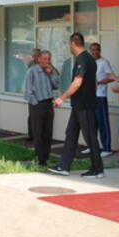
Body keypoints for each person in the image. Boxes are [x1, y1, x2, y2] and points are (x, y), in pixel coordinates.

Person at [48, 33, 104, 178]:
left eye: (69, 44)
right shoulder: (88, 59)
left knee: (90, 137)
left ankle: (97, 169)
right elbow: (94, 82)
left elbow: (77, 82)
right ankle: (64, 166)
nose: (69, 47)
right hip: (79, 104)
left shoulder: (83, 59)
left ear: (73, 43)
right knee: (71, 134)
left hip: (84, 105)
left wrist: (62, 97)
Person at [22, 50, 59, 166]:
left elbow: (56, 85)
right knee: (38, 132)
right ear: (38, 59)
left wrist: (51, 74)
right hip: (37, 104)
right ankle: (40, 158)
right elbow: (27, 92)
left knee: (48, 132)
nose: (46, 61)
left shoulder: (51, 71)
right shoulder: (32, 71)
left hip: (49, 103)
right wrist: (35, 102)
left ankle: (46, 156)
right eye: (44, 59)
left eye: (48, 59)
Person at [90, 42, 114, 157]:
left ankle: (107, 148)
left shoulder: (104, 62)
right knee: (91, 124)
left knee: (103, 123)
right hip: (90, 96)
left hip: (100, 96)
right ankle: (92, 147)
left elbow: (111, 77)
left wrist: (101, 82)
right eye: (92, 50)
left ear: (100, 51)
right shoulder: (90, 62)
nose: (94, 52)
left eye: (96, 50)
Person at [26, 48, 41, 142]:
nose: (34, 58)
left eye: (36, 56)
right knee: (31, 115)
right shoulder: (31, 64)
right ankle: (31, 134)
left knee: (40, 115)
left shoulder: (44, 64)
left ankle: (39, 135)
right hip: (32, 93)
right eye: (33, 56)